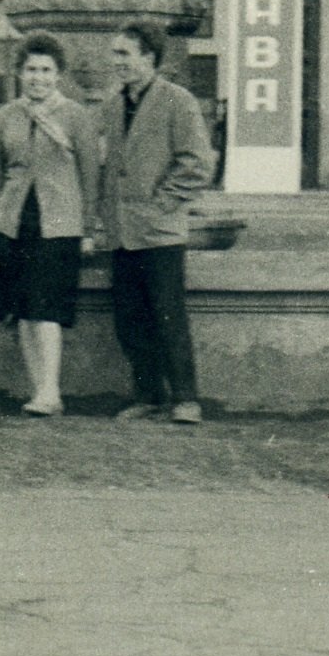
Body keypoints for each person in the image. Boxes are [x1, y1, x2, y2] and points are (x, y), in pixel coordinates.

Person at [102, 22, 215, 425]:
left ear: (149, 58)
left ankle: (186, 399)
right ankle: (148, 395)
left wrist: (161, 204)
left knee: (169, 316)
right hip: (121, 233)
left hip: (161, 232)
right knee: (129, 321)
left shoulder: (177, 101)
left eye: (124, 54)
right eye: (115, 54)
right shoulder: (113, 105)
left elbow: (199, 163)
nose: (116, 62)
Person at [0, 33, 103, 418]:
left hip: (59, 225)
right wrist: (5, 213)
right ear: (19, 73)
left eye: (47, 70)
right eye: (31, 69)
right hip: (16, 223)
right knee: (22, 309)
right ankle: (39, 390)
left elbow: (89, 177)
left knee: (46, 309)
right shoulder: (2, 118)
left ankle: (51, 391)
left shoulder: (76, 117)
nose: (39, 77)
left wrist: (87, 229)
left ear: (59, 75)